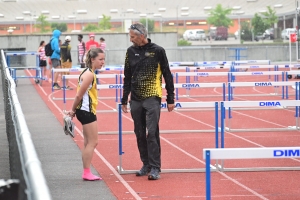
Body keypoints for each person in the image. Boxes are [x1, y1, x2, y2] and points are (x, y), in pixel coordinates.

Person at [121, 23, 175, 180]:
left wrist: (170, 98)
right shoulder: (130, 52)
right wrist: (124, 99)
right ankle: (146, 164)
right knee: (139, 133)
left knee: (151, 133)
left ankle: (155, 167)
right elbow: (127, 76)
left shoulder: (158, 51)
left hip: (152, 97)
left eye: (132, 37)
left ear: (141, 36)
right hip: (136, 99)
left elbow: (167, 75)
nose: (130, 40)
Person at [66, 48, 105, 181]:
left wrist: (74, 110)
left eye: (104, 59)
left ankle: (86, 171)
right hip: (86, 111)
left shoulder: (86, 72)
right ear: (92, 59)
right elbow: (79, 94)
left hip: (85, 110)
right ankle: (86, 172)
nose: (103, 62)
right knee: (93, 142)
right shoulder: (89, 75)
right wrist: (72, 110)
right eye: (100, 59)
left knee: (88, 142)